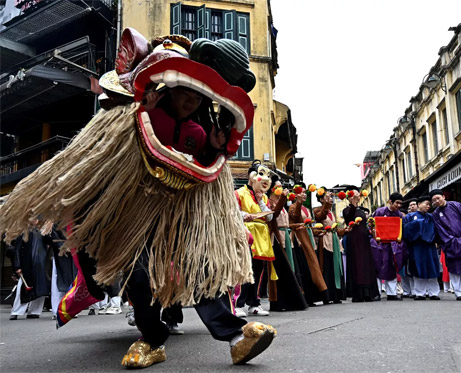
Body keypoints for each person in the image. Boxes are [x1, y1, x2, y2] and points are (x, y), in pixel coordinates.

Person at [0, 30, 276, 368]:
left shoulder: (199, 133)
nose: (191, 101)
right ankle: (152, 339)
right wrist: (140, 114)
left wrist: (215, 149)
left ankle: (235, 337)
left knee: (202, 266)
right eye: (186, 92)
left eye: (198, 98)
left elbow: (204, 162)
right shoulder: (140, 118)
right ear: (171, 88)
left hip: (179, 214)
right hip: (134, 217)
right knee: (139, 276)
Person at [234, 161, 274, 316]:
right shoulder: (239, 193)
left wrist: (260, 201)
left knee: (258, 270)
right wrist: (244, 215)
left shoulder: (263, 197)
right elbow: (233, 212)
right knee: (244, 268)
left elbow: (269, 217)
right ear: (251, 177)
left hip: (261, 237)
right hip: (245, 233)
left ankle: (254, 303)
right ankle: (238, 303)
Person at [266, 179, 307, 312]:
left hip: (285, 236)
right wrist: (283, 198)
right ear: (272, 189)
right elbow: (274, 215)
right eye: (278, 187)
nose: (281, 189)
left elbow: (285, 222)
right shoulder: (269, 203)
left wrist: (294, 226)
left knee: (291, 267)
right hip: (276, 239)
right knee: (279, 270)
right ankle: (279, 301)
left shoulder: (281, 203)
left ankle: (292, 300)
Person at [10, 221, 60, 320]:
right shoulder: (23, 231)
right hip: (27, 265)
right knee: (23, 288)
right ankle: (16, 311)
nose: (36, 221)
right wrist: (17, 266)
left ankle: (34, 311)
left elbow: (51, 241)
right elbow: (17, 249)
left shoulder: (43, 231)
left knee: (41, 289)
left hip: (42, 264)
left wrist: (48, 230)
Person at [288, 183, 328, 306]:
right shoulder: (293, 207)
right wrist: (299, 203)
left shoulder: (307, 209)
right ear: (295, 195)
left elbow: (309, 226)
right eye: (301, 193)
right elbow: (295, 218)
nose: (304, 195)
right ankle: (306, 297)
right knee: (304, 268)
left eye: (305, 192)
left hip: (309, 238)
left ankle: (314, 296)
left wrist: (317, 232)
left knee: (311, 268)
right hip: (300, 240)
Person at [343, 188, 380, 302]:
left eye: (358, 194)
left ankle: (369, 293)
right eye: (354, 195)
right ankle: (358, 293)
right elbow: (349, 218)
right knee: (356, 265)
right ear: (349, 197)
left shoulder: (361, 211)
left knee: (366, 265)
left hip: (364, 240)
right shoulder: (346, 210)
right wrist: (353, 204)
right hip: (354, 240)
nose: (357, 196)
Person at [370, 193, 407, 301]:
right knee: (377, 268)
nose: (399, 205)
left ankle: (392, 293)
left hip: (392, 246)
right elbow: (371, 224)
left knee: (391, 268)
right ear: (390, 202)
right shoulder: (379, 212)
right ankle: (377, 293)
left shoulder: (399, 215)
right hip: (379, 246)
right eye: (397, 203)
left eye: (401, 203)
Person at [403, 196, 441, 300]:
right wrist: (418, 225)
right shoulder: (409, 217)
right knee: (418, 269)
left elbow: (436, 230)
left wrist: (420, 227)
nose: (428, 206)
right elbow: (405, 231)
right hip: (416, 247)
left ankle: (434, 293)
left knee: (432, 268)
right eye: (426, 204)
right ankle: (420, 293)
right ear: (419, 204)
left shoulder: (431, 217)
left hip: (429, 247)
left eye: (429, 204)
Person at [314, 189, 346, 304]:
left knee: (335, 267)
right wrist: (327, 204)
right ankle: (327, 295)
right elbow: (320, 217)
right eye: (326, 197)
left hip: (334, 240)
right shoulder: (318, 210)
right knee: (327, 268)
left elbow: (335, 228)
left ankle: (336, 295)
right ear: (321, 199)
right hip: (325, 241)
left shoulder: (331, 212)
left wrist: (344, 230)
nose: (330, 199)